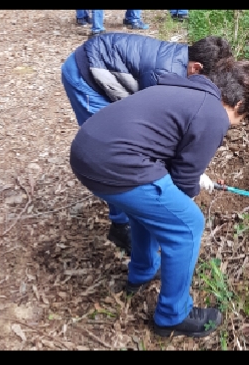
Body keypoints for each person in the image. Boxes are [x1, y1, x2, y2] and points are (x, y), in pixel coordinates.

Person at [69, 54, 249, 339]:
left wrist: (188, 181)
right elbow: (183, 181)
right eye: (242, 119)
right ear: (238, 105)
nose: (235, 125)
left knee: (148, 210)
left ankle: (142, 272)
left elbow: (163, 147)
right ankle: (173, 315)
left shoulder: (182, 88)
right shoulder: (213, 113)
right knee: (188, 226)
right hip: (115, 165)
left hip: (87, 151)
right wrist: (187, 193)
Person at [60, 33, 232, 253]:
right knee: (113, 146)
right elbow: (147, 128)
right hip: (86, 75)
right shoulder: (163, 74)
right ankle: (120, 224)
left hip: (105, 62)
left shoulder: (184, 64)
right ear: (196, 68)